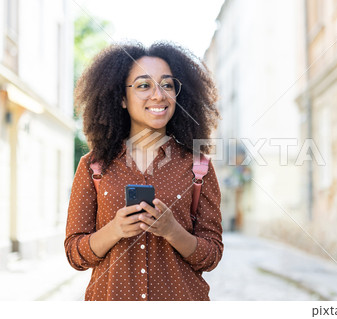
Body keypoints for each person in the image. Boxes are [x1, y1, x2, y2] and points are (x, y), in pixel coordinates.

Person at [65, 41, 223, 301]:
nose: (159, 95)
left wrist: (173, 231)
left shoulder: (199, 168)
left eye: (167, 85)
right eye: (143, 85)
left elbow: (212, 255)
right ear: (122, 99)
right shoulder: (93, 167)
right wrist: (115, 229)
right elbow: (75, 254)